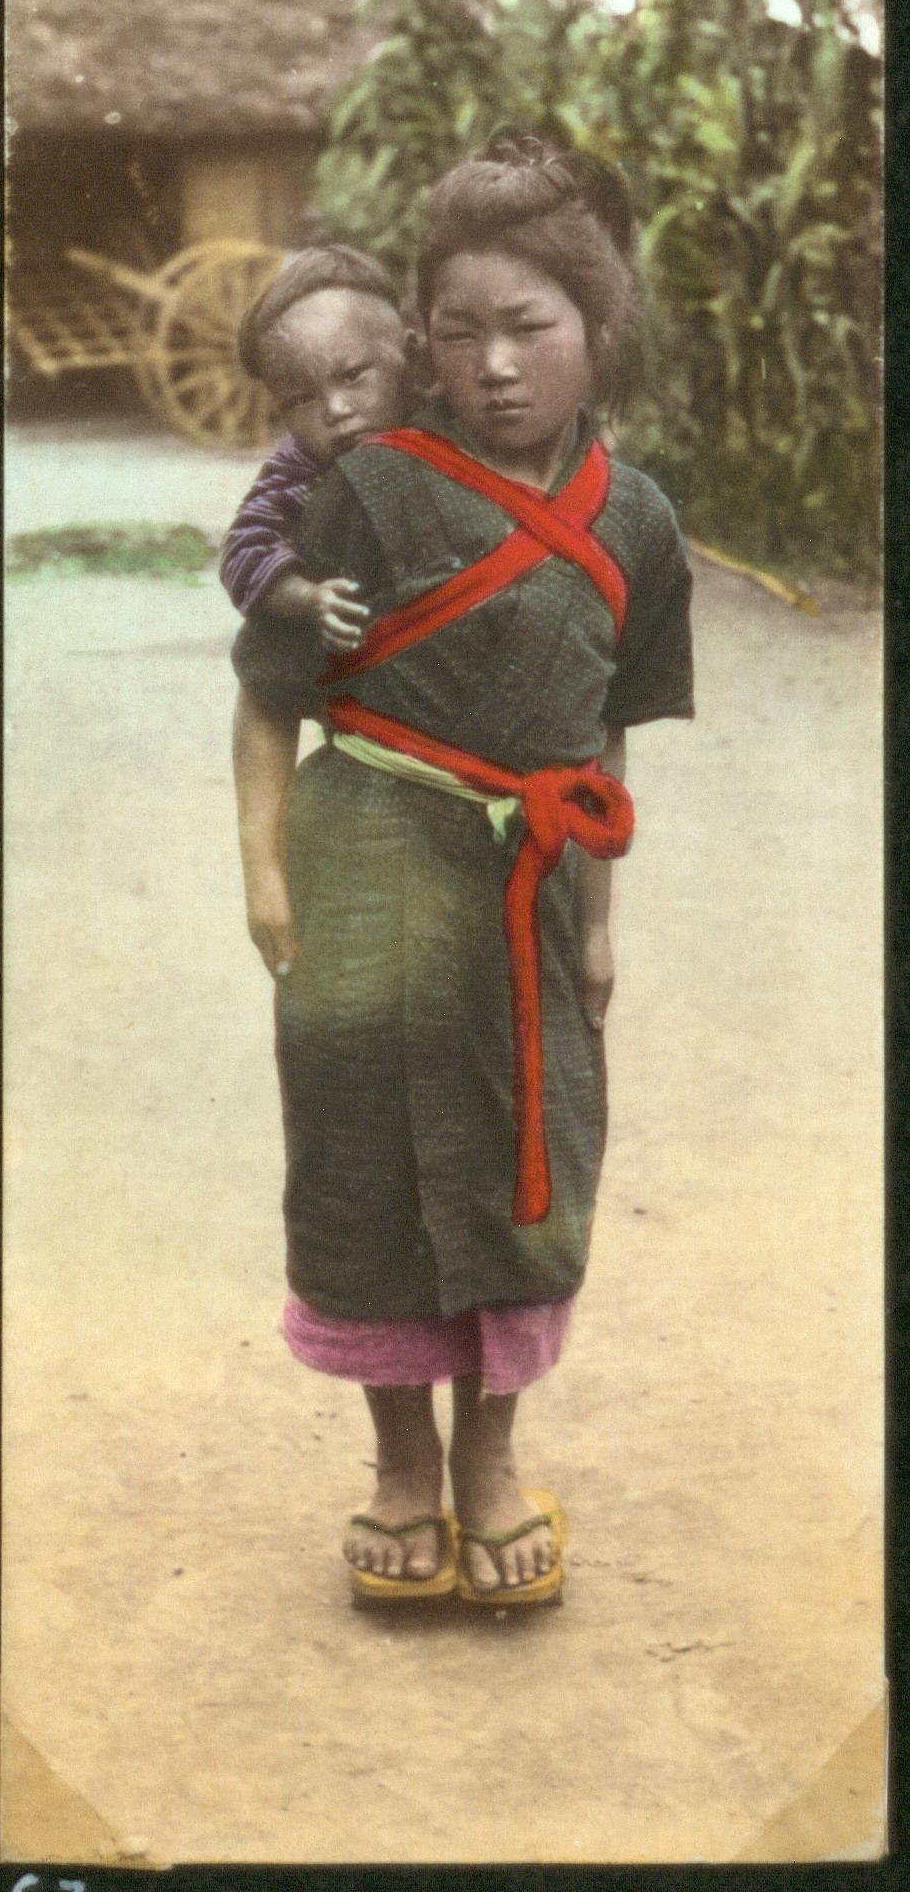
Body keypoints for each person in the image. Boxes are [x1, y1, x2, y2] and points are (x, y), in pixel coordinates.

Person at [231, 137, 694, 1605]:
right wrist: (262, 874)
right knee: (364, 1156)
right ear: (417, 344)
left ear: (596, 327)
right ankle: (401, 1470)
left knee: (524, 1159)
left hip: (531, 890)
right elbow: (267, 691)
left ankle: (490, 1458)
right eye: (458, 330)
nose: (493, 365)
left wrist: (602, 922)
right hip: (364, 854)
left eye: (530, 326)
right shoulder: (366, 490)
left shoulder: (639, 521)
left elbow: (606, 735)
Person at [220, 242, 413, 656]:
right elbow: (244, 551)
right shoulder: (299, 468)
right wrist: (309, 597)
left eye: (353, 375)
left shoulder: (451, 424)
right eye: (301, 399)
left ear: (409, 354)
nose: (336, 410)